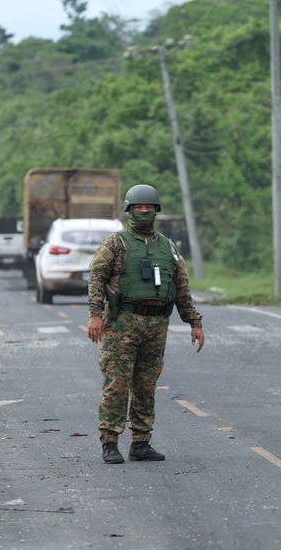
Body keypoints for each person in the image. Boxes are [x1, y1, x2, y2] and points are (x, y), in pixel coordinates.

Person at [87, 184, 205, 464]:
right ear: (129, 210)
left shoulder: (167, 247)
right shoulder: (115, 244)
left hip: (156, 325)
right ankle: (110, 442)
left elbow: (181, 287)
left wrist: (194, 322)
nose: (143, 211)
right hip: (122, 324)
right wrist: (95, 314)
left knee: (146, 385)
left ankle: (141, 442)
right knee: (117, 384)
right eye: (138, 207)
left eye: (148, 207)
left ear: (156, 210)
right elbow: (97, 278)